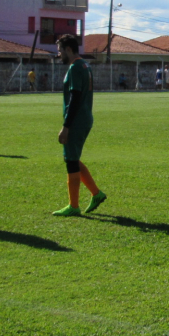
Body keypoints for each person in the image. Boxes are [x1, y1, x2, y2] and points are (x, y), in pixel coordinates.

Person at [52, 34, 107, 216]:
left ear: (68, 49)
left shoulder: (75, 68)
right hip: (84, 117)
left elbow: (75, 97)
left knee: (70, 161)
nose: (58, 54)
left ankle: (74, 206)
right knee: (72, 158)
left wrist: (66, 126)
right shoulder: (85, 65)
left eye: (60, 50)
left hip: (77, 120)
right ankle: (96, 194)